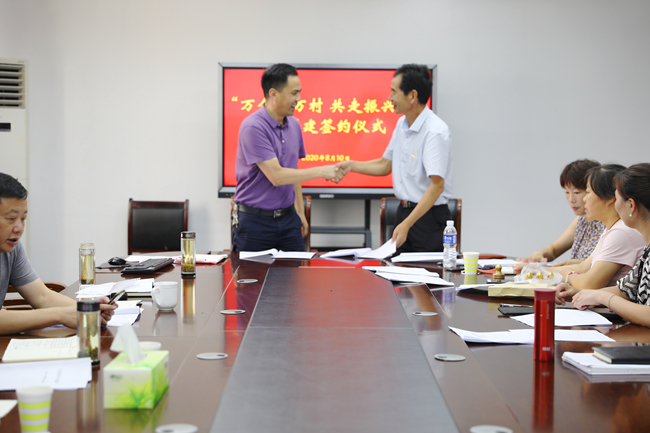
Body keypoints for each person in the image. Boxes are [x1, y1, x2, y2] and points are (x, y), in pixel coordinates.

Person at [335, 64, 453, 252]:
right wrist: (351, 166)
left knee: (427, 271)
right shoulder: (401, 124)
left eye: (394, 92)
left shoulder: (435, 131)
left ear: (412, 96)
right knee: (397, 270)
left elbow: (436, 186)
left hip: (428, 220)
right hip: (404, 213)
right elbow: (385, 165)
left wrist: (408, 223)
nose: (390, 98)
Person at [232, 63, 345, 252]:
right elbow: (277, 176)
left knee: (294, 271)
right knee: (253, 273)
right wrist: (321, 171)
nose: (298, 99)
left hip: (288, 220)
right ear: (273, 94)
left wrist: (300, 212)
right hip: (255, 223)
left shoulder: (294, 125)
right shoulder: (253, 127)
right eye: (294, 93)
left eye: (299, 92)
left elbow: (293, 171)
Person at [0, 173, 115, 335]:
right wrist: (60, 315)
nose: (19, 228)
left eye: (23, 218)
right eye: (11, 218)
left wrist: (85, 309)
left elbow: (42, 296)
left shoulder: (12, 247)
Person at [556, 164, 650, 328]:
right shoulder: (647, 251)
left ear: (631, 205)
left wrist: (603, 298)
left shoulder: (623, 232)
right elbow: (625, 290)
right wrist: (581, 294)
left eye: (617, 198)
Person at [522, 164, 645, 289]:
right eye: (566, 192)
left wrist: (567, 274)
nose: (584, 199)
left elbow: (589, 284)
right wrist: (535, 269)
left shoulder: (621, 232)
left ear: (609, 198)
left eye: (587, 192)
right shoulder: (611, 229)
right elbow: (584, 267)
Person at [517, 159, 605, 265]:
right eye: (566, 192)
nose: (571, 199)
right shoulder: (581, 220)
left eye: (577, 192)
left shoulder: (607, 223)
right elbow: (554, 249)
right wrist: (539, 254)